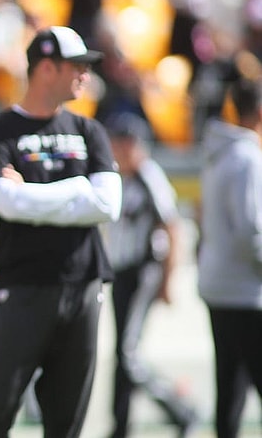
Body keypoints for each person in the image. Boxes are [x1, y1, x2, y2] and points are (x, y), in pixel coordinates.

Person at [0, 26, 122, 438]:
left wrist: (35, 195)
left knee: (67, 423)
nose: (85, 76)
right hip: (22, 289)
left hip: (83, 288)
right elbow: (7, 202)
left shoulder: (90, 130)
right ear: (46, 68)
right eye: (77, 67)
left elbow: (107, 204)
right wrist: (78, 194)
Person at [102, 112, 198, 438]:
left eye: (122, 143)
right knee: (122, 353)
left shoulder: (148, 176)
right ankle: (120, 426)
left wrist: (168, 280)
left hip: (143, 271)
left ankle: (180, 409)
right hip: (122, 272)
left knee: (127, 355)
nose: (117, 149)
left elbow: (172, 227)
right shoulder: (119, 176)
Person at [197, 77, 262, 438]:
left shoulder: (220, 153)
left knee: (230, 387)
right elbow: (250, 232)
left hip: (219, 285)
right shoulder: (246, 158)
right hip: (246, 291)